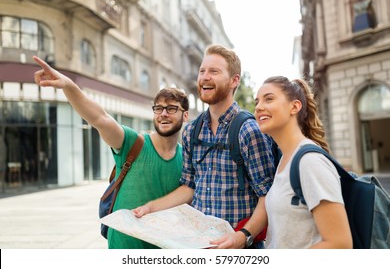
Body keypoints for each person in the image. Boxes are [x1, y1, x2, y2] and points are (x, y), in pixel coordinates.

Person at [32, 56, 189, 249]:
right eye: (158, 108)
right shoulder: (134, 142)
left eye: (171, 108)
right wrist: (68, 86)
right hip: (124, 246)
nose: (163, 113)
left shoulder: (187, 159)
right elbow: (100, 118)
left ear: (185, 115)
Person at [134, 44, 275, 249]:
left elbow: (267, 196)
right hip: (200, 246)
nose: (204, 77)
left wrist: (243, 236)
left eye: (214, 71)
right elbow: (189, 187)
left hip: (240, 248)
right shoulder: (192, 131)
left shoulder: (249, 131)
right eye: (202, 71)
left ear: (234, 80)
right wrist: (150, 207)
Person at [254, 76, 353, 249]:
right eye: (257, 101)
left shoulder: (310, 162)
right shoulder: (286, 159)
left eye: (269, 99)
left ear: (294, 106)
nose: (258, 107)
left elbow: (340, 244)